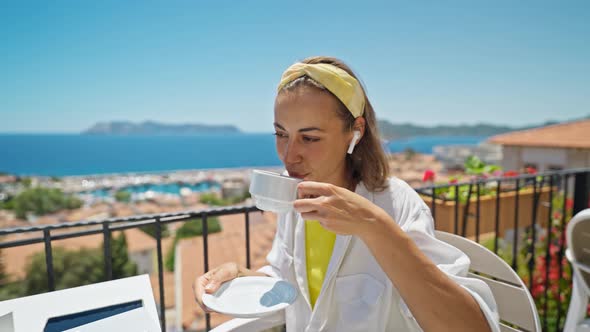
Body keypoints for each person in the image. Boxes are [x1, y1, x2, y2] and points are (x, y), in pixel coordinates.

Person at [193, 56, 500, 331]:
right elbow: (289, 282)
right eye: (281, 134)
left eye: (310, 138)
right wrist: (239, 277)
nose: (289, 155)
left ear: (356, 131)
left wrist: (375, 227)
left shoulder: (397, 204)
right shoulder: (296, 197)